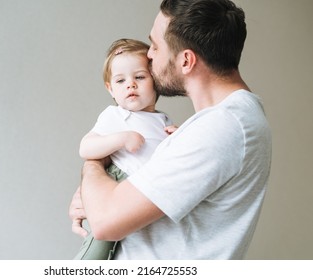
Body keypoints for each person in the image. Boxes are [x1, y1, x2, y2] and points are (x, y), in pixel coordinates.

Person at [70, 0, 272, 260]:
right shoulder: (218, 123)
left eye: (155, 45)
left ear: (186, 60)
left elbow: (105, 222)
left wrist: (93, 166)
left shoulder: (222, 127)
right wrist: (95, 195)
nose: (150, 55)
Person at [74, 38, 176, 260]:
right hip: (118, 181)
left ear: (155, 81)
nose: (131, 84)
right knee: (98, 249)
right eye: (120, 81)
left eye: (139, 77)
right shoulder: (116, 115)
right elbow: (86, 147)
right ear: (110, 89)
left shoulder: (163, 119)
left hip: (143, 193)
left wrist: (176, 136)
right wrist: (121, 139)